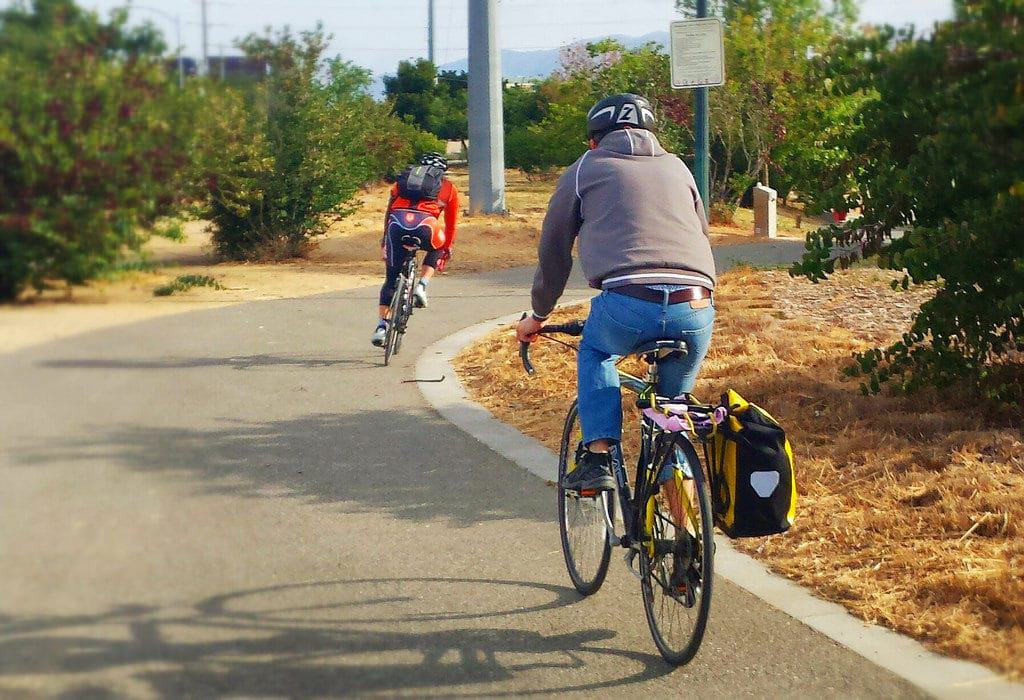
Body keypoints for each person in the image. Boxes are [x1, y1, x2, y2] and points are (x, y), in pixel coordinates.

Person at [516, 93, 716, 494]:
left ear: (594, 140)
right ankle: (686, 537)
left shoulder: (585, 167)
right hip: (696, 303)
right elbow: (702, 234)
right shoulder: (678, 166)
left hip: (627, 300)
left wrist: (538, 315)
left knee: (597, 352)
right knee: (671, 411)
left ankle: (598, 456)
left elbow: (555, 251)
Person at [372, 152, 459, 347]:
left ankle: (381, 327)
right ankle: (422, 285)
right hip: (426, 225)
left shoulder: (401, 183)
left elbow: (389, 212)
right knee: (438, 245)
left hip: (397, 224)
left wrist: (385, 240)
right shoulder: (449, 188)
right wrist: (447, 248)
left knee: (391, 279)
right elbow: (451, 224)